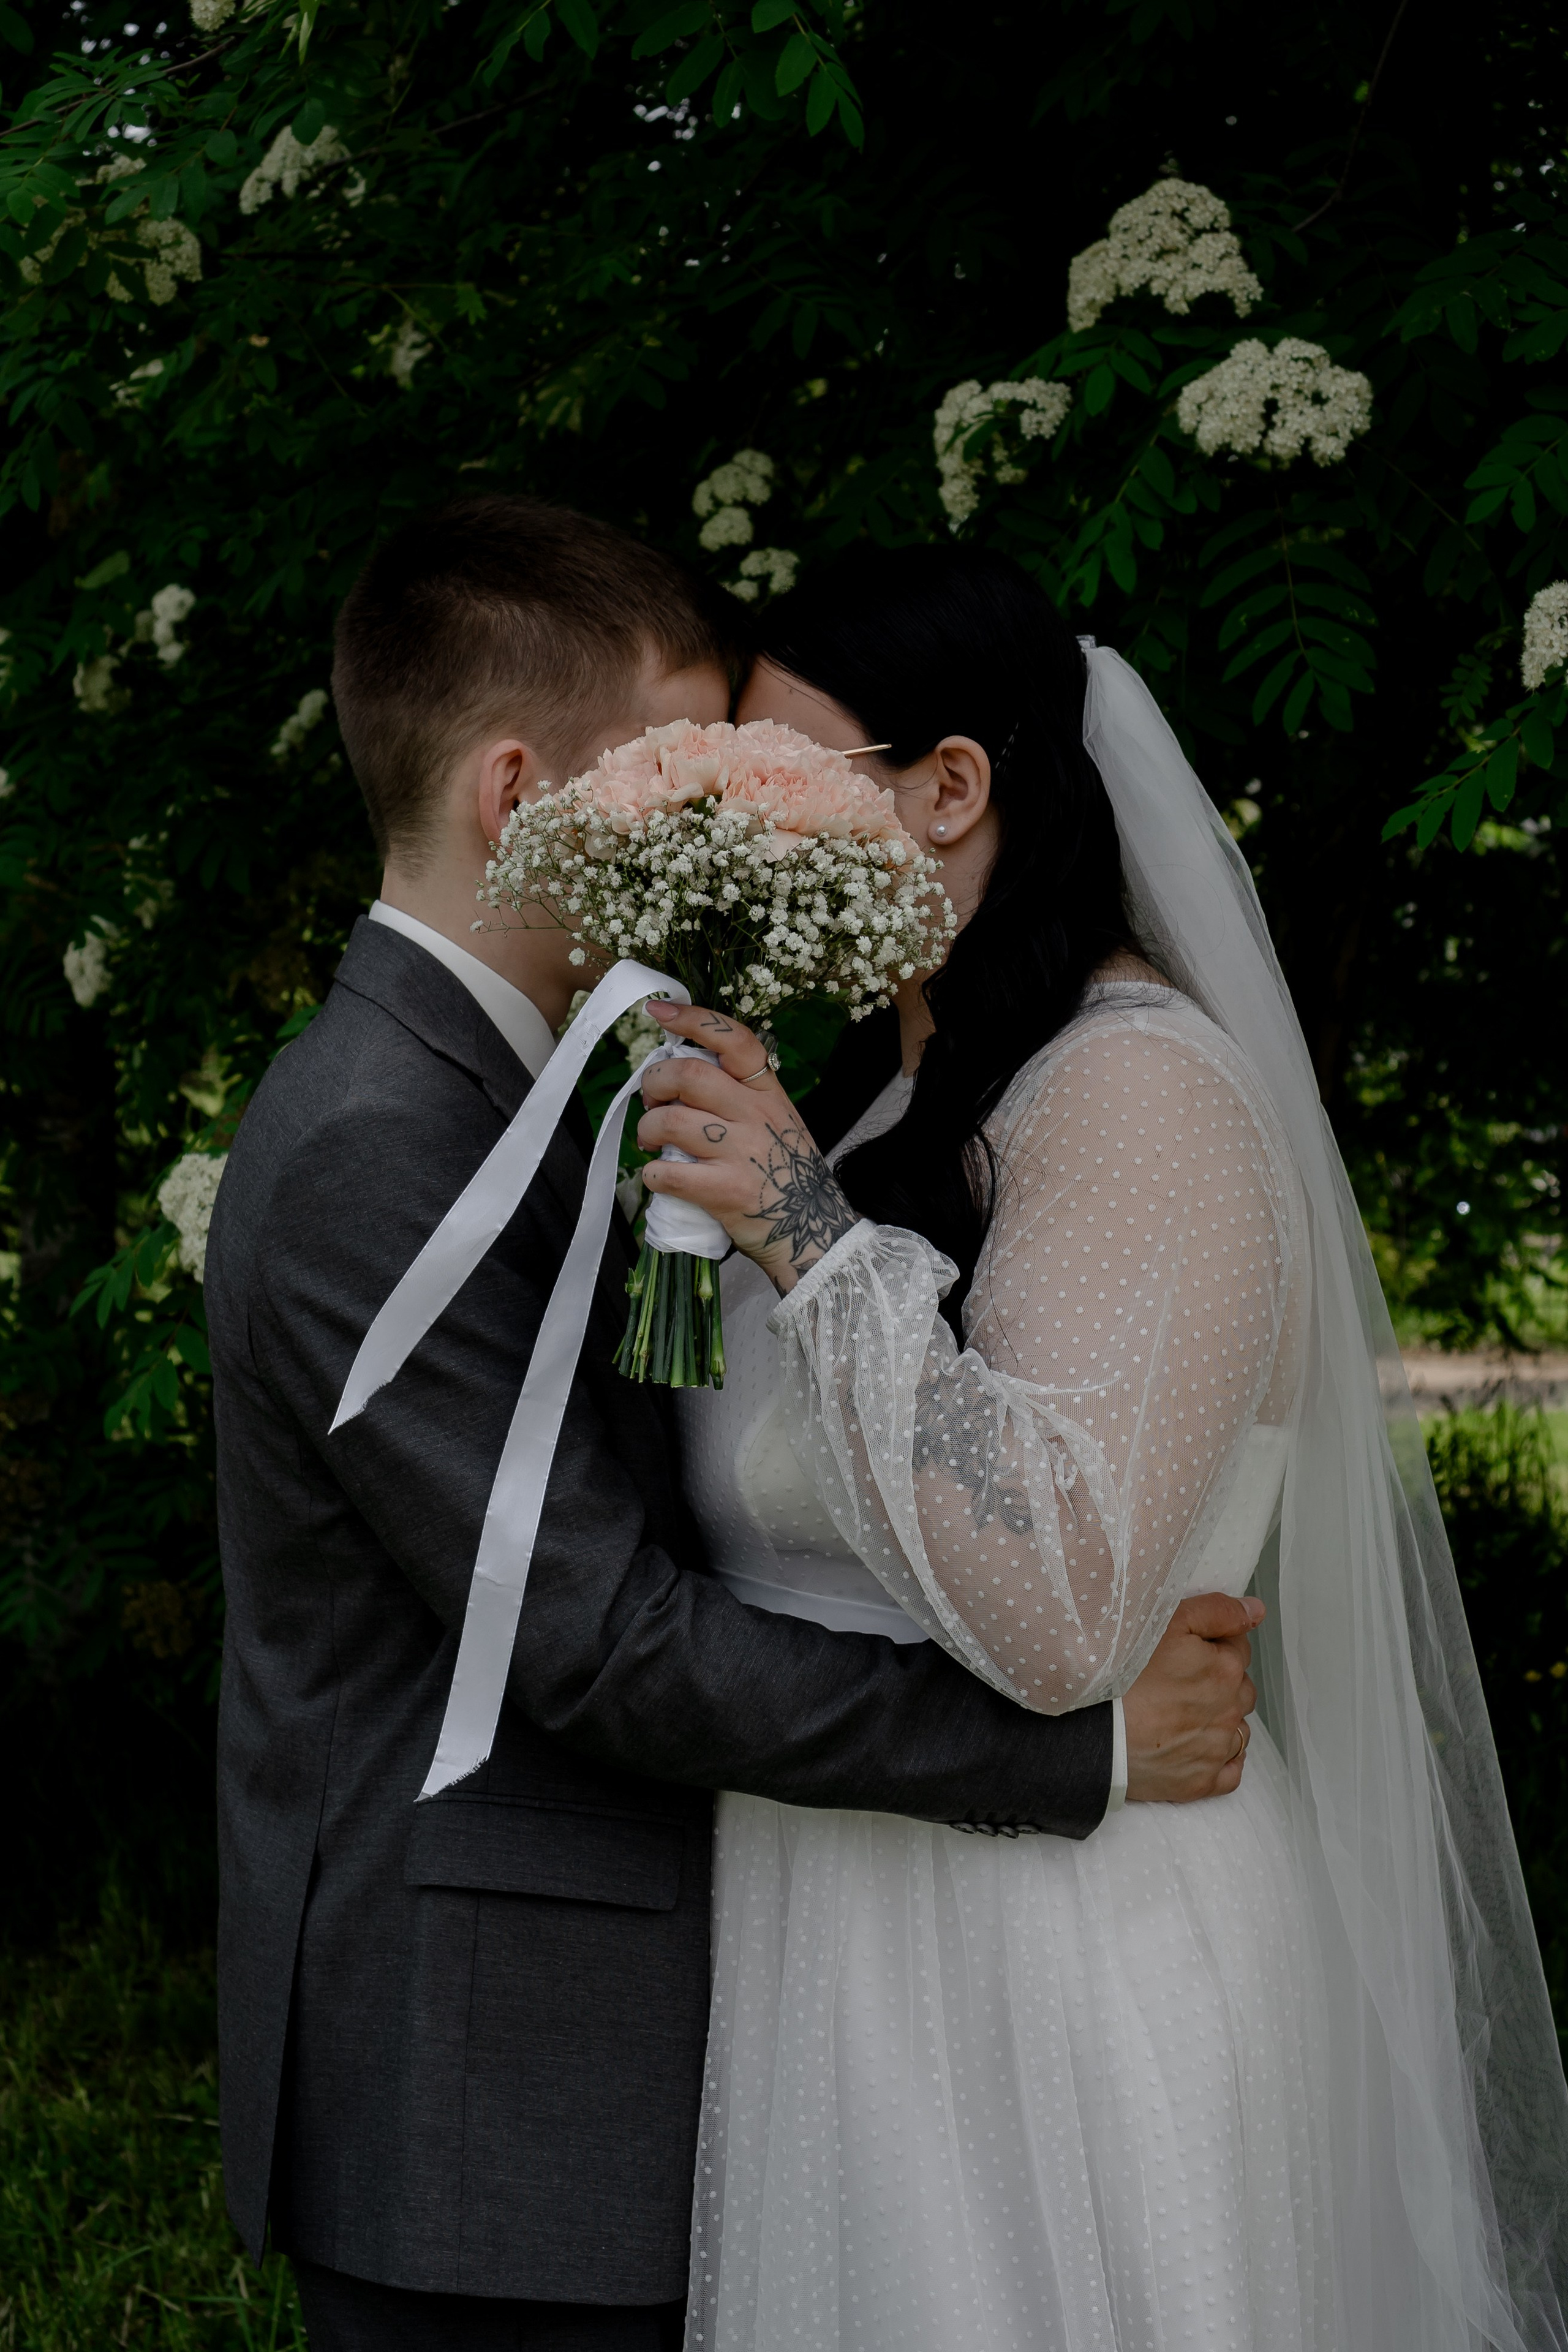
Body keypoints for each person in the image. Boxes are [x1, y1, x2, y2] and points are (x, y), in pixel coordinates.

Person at [204, 499, 1259, 2352]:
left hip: (721, 2017)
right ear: (523, 791)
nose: (732, 825)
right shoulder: (387, 1135)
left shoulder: (576, 1090)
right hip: (489, 2074)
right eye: (687, 772)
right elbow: (601, 1637)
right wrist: (1073, 1760)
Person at [638, 545, 1568, 2352]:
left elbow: (1061, 1607)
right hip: (848, 1939)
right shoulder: (882, 1101)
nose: (739, 836)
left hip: (1057, 1960)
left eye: (777, 779)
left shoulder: (1137, 1094)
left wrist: (811, 1239)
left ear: (954, 784)